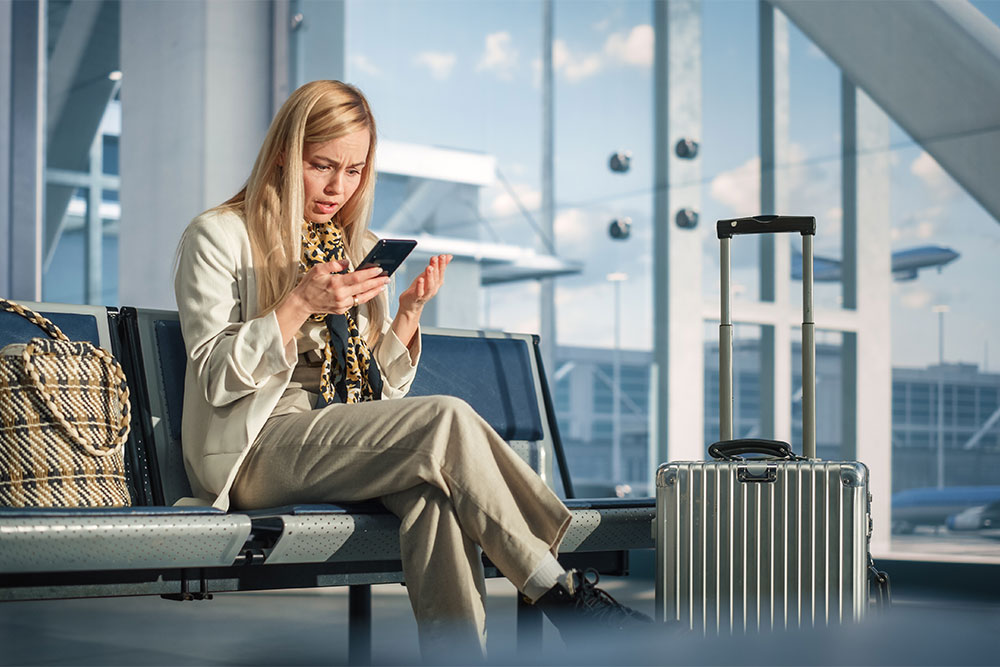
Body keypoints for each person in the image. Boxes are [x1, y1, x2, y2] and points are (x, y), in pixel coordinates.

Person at [174, 79, 649, 661]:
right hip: (256, 444)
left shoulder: (349, 244)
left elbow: (374, 390)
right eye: (322, 165)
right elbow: (216, 375)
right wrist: (298, 304)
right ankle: (562, 588)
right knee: (444, 419)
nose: (336, 188)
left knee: (436, 496)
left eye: (353, 171)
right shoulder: (218, 235)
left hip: (337, 437)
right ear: (283, 152)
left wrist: (405, 317)